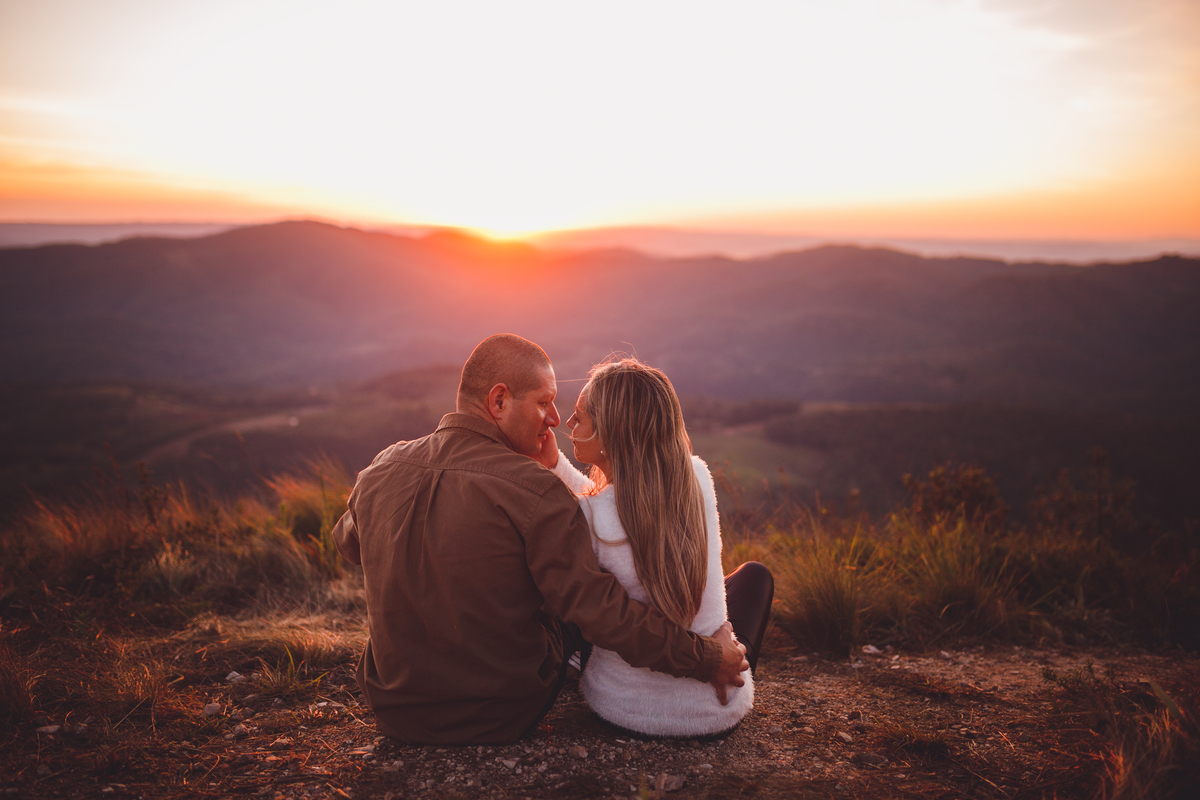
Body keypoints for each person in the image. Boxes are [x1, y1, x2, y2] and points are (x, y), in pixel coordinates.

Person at [331, 334, 749, 745]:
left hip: (392, 707)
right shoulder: (532, 489)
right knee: (571, 597)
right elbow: (600, 612)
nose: (553, 419)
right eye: (543, 403)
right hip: (500, 713)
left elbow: (348, 544)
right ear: (498, 402)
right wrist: (708, 658)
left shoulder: (382, 468)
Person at [544, 358, 774, 737]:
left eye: (578, 417)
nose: (568, 424)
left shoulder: (588, 519)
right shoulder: (696, 476)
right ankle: (734, 655)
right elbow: (612, 505)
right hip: (717, 712)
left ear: (610, 434)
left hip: (626, 710)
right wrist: (557, 464)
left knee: (588, 603)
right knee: (755, 576)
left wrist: (553, 468)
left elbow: (597, 508)